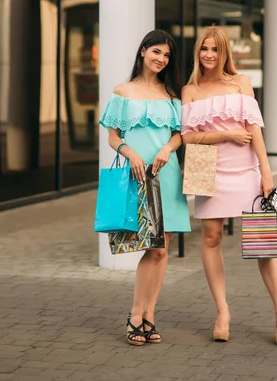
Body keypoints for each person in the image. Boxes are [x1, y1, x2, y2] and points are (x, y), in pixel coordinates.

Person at [181, 26, 277, 345]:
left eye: (215, 49)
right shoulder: (189, 90)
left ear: (225, 51)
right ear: (197, 51)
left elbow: (253, 129)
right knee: (211, 237)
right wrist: (225, 135)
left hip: (245, 168)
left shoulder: (241, 83)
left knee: (261, 244)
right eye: (204, 48)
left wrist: (266, 172)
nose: (209, 55)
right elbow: (187, 137)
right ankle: (222, 311)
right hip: (204, 165)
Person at [99, 30, 191, 346]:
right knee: (152, 247)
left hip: (167, 173)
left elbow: (181, 134)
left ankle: (149, 316)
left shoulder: (173, 95)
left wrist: (168, 148)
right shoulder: (123, 92)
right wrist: (130, 152)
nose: (161, 59)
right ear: (143, 51)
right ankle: (135, 315)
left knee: (162, 248)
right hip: (140, 176)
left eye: (166, 56)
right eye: (156, 52)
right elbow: (112, 136)